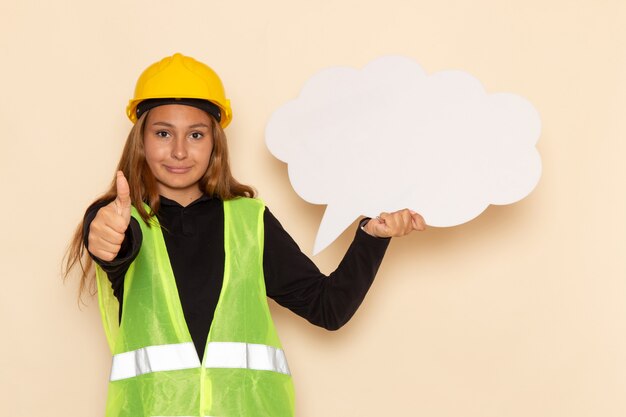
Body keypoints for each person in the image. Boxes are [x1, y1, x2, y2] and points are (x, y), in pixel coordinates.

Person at [64, 52, 426, 417]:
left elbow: (328, 308)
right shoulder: (120, 219)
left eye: (195, 134)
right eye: (162, 133)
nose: (178, 150)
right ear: (140, 140)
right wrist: (105, 237)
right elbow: (113, 243)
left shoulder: (250, 221)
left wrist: (373, 237)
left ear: (214, 142)